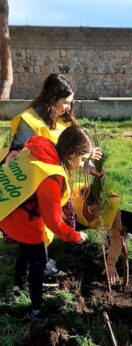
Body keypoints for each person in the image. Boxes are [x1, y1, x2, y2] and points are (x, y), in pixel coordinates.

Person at [0, 73, 102, 273]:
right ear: (52, 98)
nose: (68, 108)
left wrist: (87, 161)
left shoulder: (64, 119)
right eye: (65, 102)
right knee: (37, 225)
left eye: (70, 103)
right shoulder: (29, 121)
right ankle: (37, 264)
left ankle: (36, 261)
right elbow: (19, 152)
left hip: (56, 181)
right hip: (35, 185)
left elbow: (70, 154)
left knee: (47, 226)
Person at [0, 125, 94, 323]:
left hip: (8, 208)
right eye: (83, 159)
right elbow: (53, 223)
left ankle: (18, 286)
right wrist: (76, 236)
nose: (82, 164)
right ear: (72, 154)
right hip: (22, 221)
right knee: (38, 261)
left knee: (25, 253)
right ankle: (35, 310)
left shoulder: (41, 150)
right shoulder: (50, 175)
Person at [71, 183, 132, 285]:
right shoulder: (73, 200)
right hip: (78, 220)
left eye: (100, 211)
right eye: (93, 210)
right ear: (86, 203)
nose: (97, 215)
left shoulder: (112, 210)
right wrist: (71, 234)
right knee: (69, 232)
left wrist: (111, 263)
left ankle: (109, 248)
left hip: (105, 225)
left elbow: (116, 237)